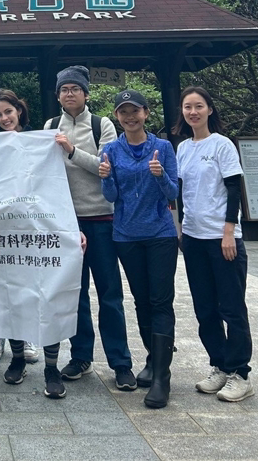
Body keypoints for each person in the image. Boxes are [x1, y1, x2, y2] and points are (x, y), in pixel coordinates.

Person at [44, 67, 136, 393]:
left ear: (86, 94)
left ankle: (121, 363)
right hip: (68, 224)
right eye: (64, 89)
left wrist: (70, 150)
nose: (69, 94)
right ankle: (81, 356)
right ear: (57, 96)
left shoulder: (102, 124)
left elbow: (104, 169)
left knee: (110, 295)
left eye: (75, 89)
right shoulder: (50, 127)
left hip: (102, 220)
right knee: (76, 295)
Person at [99, 89, 178, 409]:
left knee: (161, 301)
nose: (130, 117)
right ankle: (152, 359)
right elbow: (111, 195)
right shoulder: (112, 149)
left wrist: (159, 176)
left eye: (135, 111)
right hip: (125, 235)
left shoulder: (162, 147)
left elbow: (173, 192)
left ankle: (162, 377)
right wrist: (105, 177)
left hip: (159, 233)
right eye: (123, 112)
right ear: (117, 116)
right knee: (141, 301)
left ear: (146, 113)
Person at [174, 86, 254, 402]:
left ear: (209, 109)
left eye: (199, 106)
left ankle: (241, 373)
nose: (193, 112)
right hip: (193, 238)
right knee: (205, 308)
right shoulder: (182, 148)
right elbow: (181, 192)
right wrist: (180, 228)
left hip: (222, 239)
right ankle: (219, 365)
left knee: (232, 308)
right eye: (187, 107)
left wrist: (228, 232)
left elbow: (233, 189)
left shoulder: (222, 145)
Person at [0, 89, 41, 376]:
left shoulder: (37, 141)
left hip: (27, 221)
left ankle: (27, 333)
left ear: (19, 111)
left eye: (9, 111)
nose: (5, 118)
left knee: (25, 279)